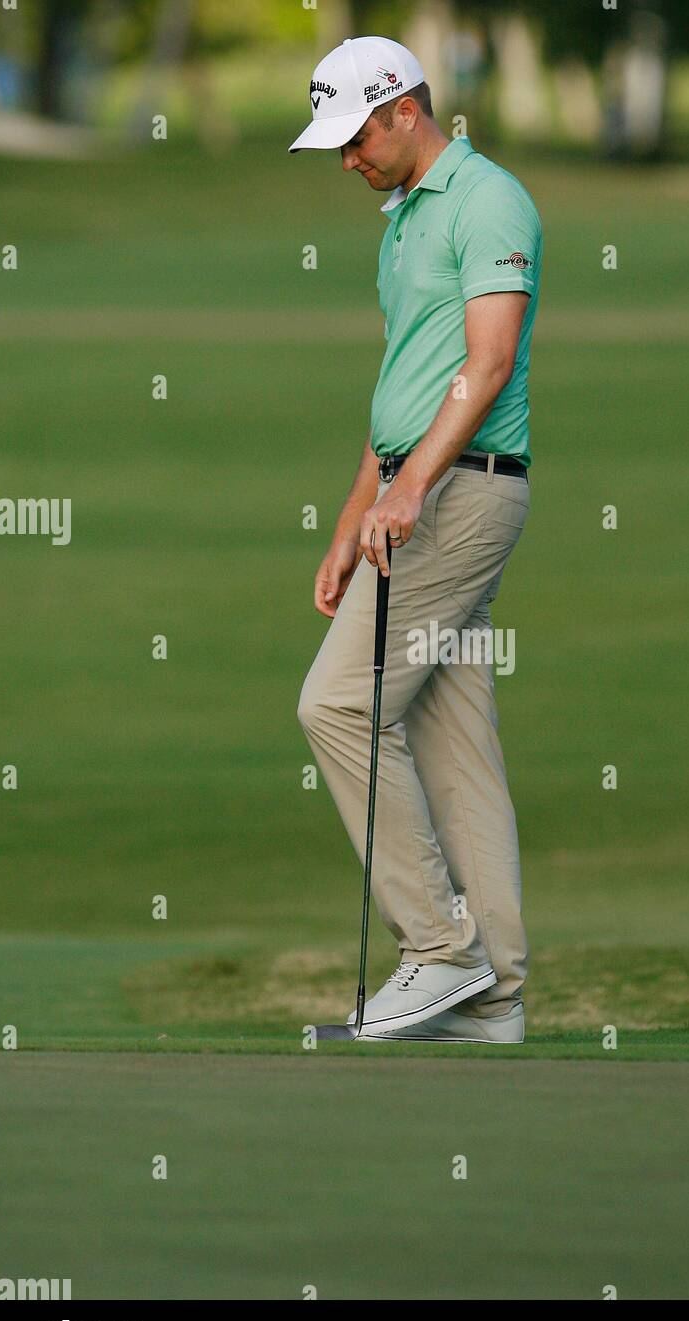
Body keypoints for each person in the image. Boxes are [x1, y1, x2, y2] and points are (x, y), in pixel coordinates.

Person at [290, 36, 542, 1042]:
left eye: (355, 139)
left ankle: (440, 949)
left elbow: (486, 366)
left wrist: (411, 492)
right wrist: (357, 514)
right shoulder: (402, 224)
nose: (347, 161)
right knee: (452, 738)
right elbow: (403, 385)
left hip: (461, 493)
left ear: (404, 109)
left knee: (338, 706)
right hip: (415, 492)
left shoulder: (489, 201)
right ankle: (494, 997)